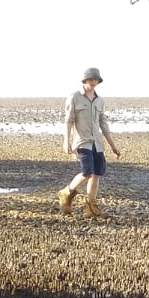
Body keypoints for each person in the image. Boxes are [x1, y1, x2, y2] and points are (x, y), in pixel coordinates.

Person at [58, 67, 122, 218]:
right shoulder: (74, 97)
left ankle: (91, 207)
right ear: (85, 80)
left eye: (96, 79)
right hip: (82, 141)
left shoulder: (100, 101)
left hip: (97, 143)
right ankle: (66, 192)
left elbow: (103, 124)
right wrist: (66, 141)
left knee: (96, 173)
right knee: (87, 172)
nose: (93, 82)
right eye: (90, 79)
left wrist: (113, 146)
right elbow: (68, 121)